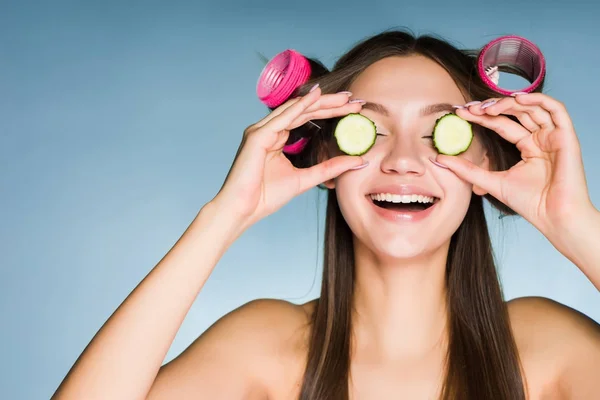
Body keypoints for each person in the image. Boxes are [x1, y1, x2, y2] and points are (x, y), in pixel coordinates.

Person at [52, 30, 600, 400]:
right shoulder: (263, 345)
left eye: (442, 134)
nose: (404, 162)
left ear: (486, 161)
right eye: (371, 131)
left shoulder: (546, 345)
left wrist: (577, 226)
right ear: (329, 161)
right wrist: (223, 217)